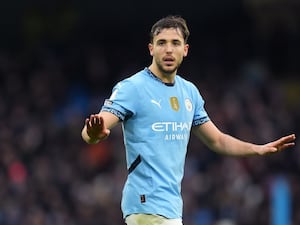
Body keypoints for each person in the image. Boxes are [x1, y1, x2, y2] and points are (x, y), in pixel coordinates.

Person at [81, 15, 296, 225]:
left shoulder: (189, 92)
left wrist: (257, 149)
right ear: (151, 49)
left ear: (185, 50)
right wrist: (93, 134)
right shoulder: (133, 88)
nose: (168, 49)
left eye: (175, 43)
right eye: (161, 43)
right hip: (144, 204)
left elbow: (217, 140)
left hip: (172, 206)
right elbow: (95, 126)